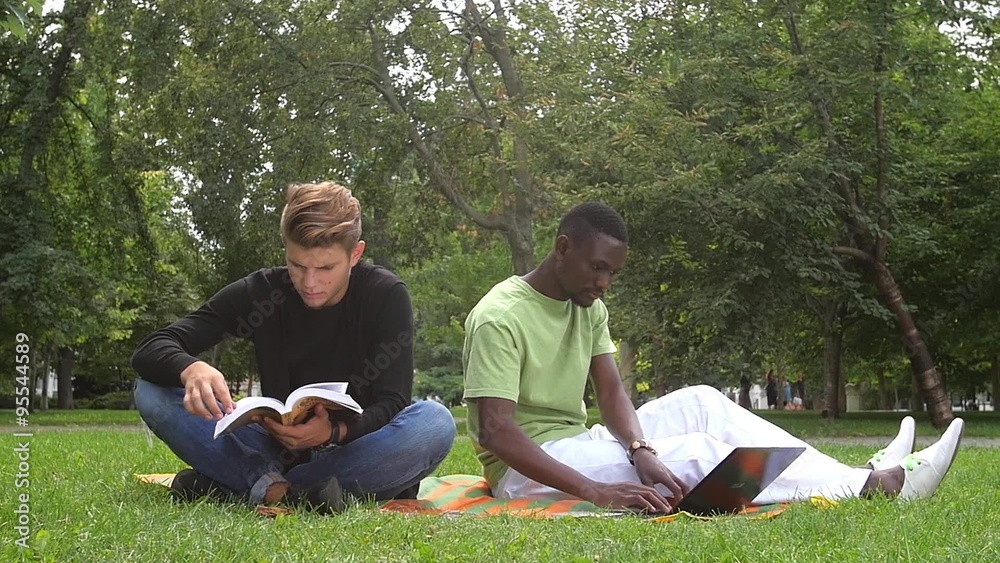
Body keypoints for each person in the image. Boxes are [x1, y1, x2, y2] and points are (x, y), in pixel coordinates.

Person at [461, 202, 964, 512]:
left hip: (576, 441)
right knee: (700, 452)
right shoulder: (499, 317)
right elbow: (496, 432)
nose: (605, 283)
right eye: (597, 268)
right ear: (562, 248)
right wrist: (595, 490)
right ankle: (878, 486)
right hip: (524, 471)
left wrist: (639, 448)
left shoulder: (587, 305)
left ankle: (854, 474)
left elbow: (611, 393)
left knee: (703, 401)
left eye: (613, 273)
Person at [132, 181, 456, 512]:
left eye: (326, 268)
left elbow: (393, 402)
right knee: (151, 391)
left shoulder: (385, 295)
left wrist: (334, 431)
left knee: (435, 422)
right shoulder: (262, 291)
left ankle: (246, 486)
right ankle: (294, 493)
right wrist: (191, 368)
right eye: (297, 265)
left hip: (357, 449)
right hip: (272, 449)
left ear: (355, 254)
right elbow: (152, 348)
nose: (310, 282)